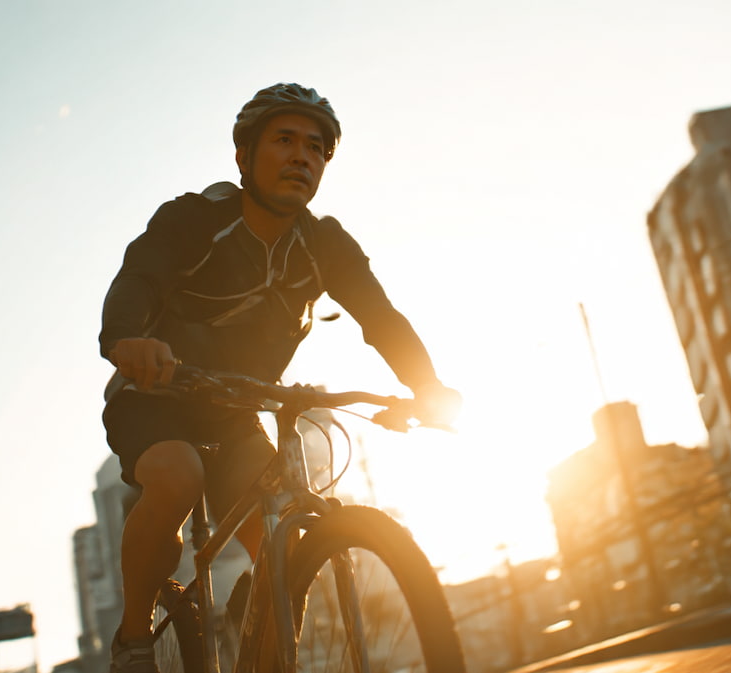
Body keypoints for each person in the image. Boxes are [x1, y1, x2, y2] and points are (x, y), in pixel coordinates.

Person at [98, 82, 460, 673]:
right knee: (178, 476)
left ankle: (260, 624)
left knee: (282, 544)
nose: (301, 156)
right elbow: (139, 278)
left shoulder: (325, 244)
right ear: (244, 158)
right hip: (155, 395)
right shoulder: (194, 218)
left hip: (235, 410)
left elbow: (381, 318)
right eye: (284, 140)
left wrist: (429, 388)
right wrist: (128, 338)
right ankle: (134, 638)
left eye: (316, 148)